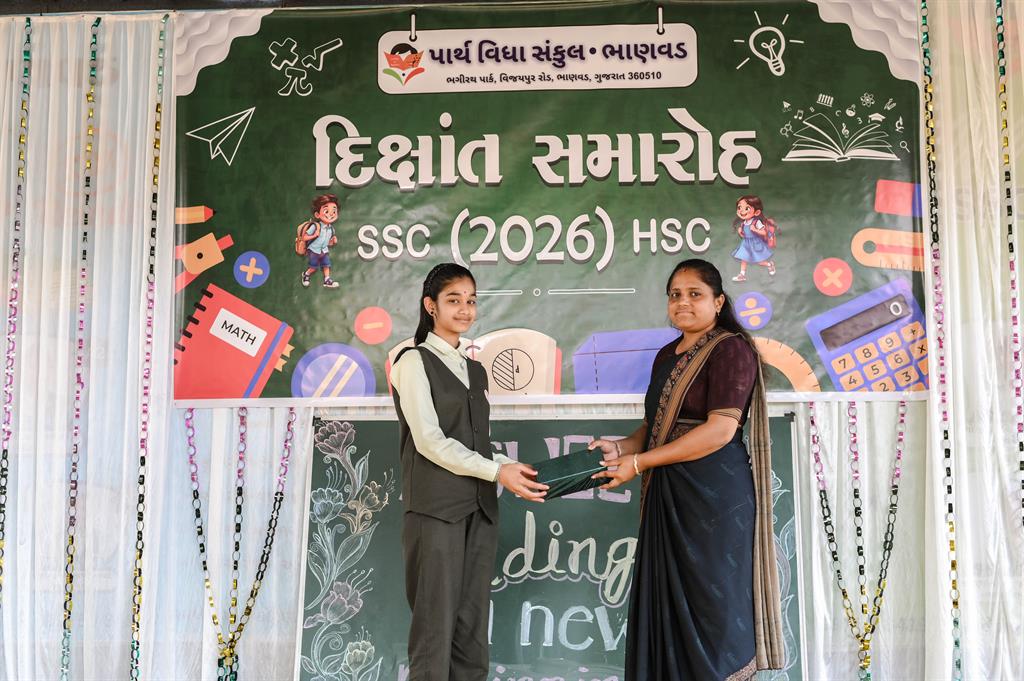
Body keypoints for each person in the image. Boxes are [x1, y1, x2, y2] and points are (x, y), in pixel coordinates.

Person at [590, 258, 784, 681]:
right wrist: (621, 447)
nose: (683, 302)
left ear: (719, 302)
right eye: (675, 295)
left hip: (714, 499)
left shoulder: (731, 349)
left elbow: (719, 431)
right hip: (669, 493)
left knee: (713, 609)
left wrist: (639, 462)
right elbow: (654, 427)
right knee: (668, 612)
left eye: (695, 294)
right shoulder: (666, 355)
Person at [389, 263, 548, 680]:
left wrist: (508, 470)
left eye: (471, 301)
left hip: (479, 510)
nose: (465, 309)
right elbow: (429, 440)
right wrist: (497, 472)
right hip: (435, 512)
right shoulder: (413, 361)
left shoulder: (474, 369)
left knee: (472, 632)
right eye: (454, 300)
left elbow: (476, 442)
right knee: (434, 633)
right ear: (431, 306)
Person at [730, 195, 776, 282]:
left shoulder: (756, 222)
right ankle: (742, 275)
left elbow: (764, 232)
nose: (741, 211)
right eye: (739, 207)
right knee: (744, 258)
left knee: (759, 261)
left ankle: (769, 264)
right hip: (746, 243)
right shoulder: (744, 223)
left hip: (755, 243)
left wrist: (755, 230)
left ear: (757, 212)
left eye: (747, 208)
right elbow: (745, 235)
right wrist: (740, 232)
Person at [301, 193, 340, 288]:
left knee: (326, 265)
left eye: (334, 211)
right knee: (313, 267)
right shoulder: (315, 226)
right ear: (317, 214)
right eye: (326, 211)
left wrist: (333, 242)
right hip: (314, 250)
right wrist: (314, 235)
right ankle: (306, 274)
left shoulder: (331, 229)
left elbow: (328, 243)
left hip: (324, 250)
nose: (331, 214)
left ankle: (327, 280)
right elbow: (304, 237)